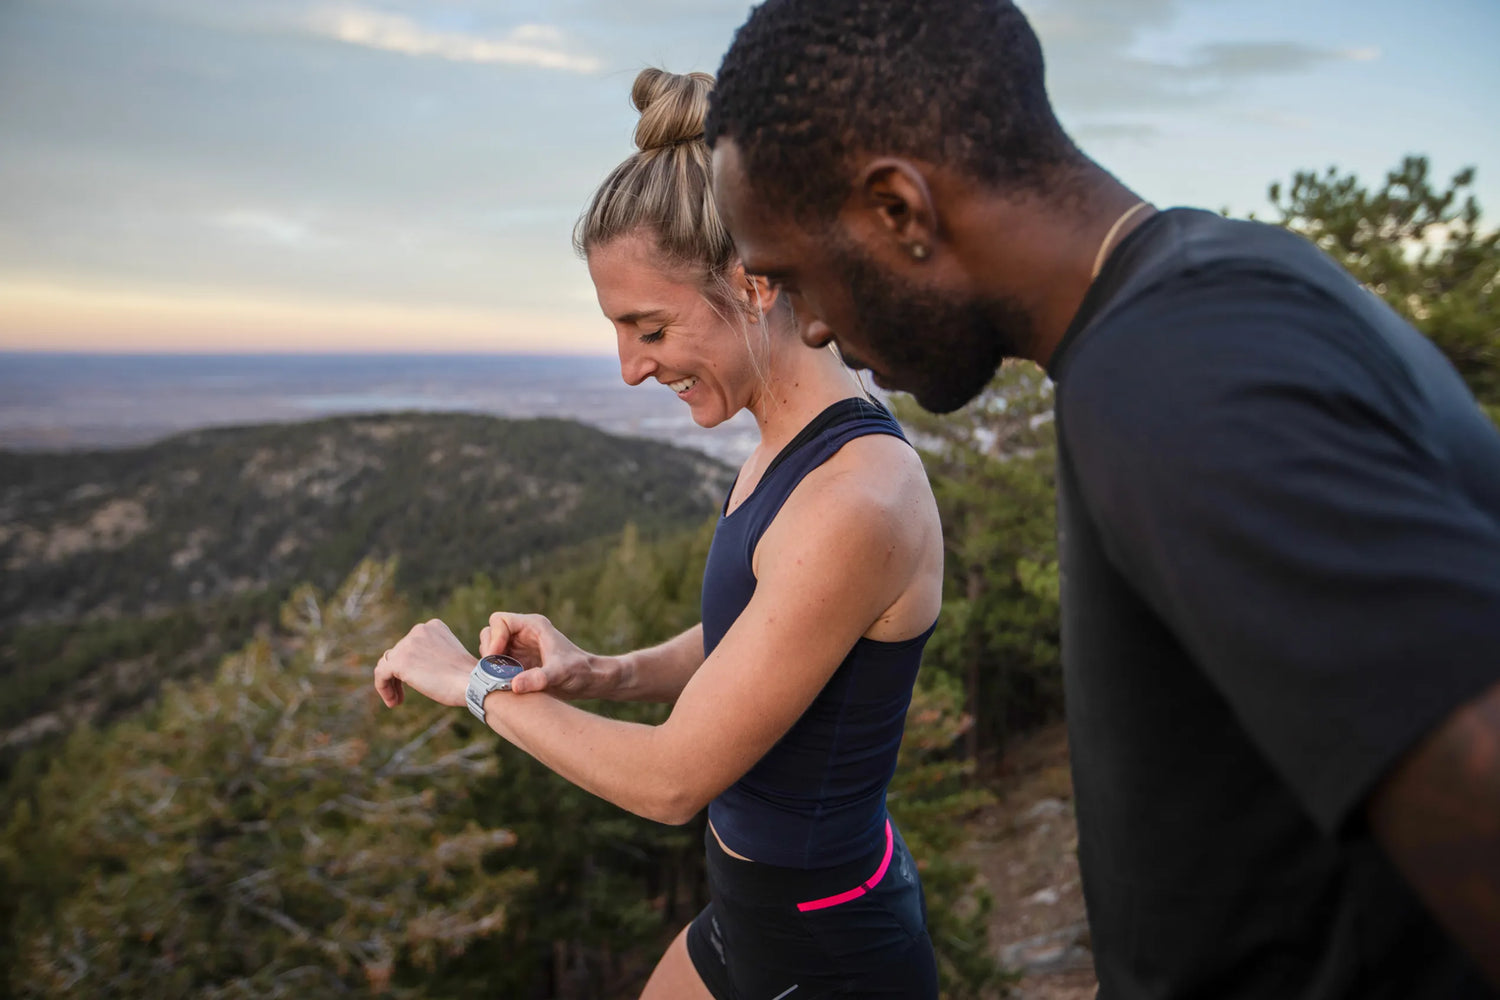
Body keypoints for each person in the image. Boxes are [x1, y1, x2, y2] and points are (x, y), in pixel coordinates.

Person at [703, 1, 1500, 997]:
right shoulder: (1224, 281)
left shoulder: (1172, 375)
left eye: (798, 279)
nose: (812, 329)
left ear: (898, 210)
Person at [372, 68, 945, 999]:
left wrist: (467, 683)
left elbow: (673, 781)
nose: (631, 369)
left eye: (649, 327)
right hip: (758, 915)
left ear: (753, 283)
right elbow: (759, 640)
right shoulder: (789, 445)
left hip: (828, 956)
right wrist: (605, 672)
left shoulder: (856, 499)